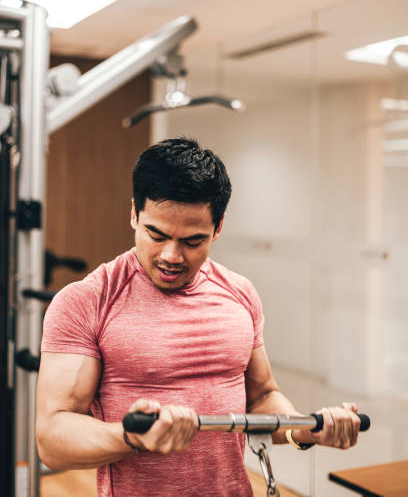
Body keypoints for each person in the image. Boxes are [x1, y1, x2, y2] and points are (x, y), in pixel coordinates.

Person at [37, 137, 361, 497]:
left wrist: (302, 429)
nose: (171, 256)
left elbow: (263, 398)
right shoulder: (88, 301)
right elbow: (53, 438)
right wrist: (132, 436)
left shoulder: (239, 293)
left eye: (193, 241)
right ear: (134, 213)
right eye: (155, 234)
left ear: (218, 227)